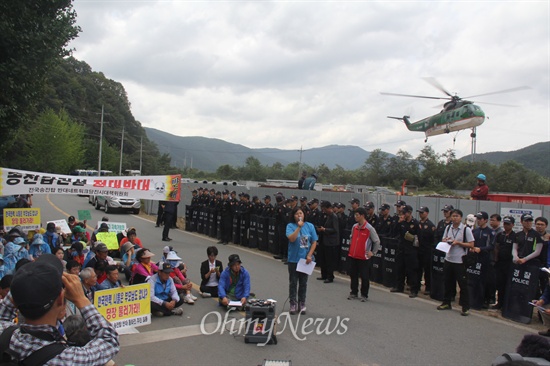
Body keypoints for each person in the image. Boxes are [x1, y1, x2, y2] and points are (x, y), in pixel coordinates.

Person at [0, 254, 119, 364]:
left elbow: (3, 315)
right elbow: (109, 339)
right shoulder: (66, 359)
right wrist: (82, 299)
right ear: (60, 300)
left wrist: (26, 284)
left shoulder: (5, 334)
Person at [436, 209, 475, 316]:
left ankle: (465, 307)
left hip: (460, 261)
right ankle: (446, 302)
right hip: (449, 259)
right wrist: (446, 240)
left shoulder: (466, 229)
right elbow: (443, 239)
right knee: (447, 282)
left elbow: (471, 244)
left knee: (463, 284)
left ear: (461, 218)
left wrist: (458, 243)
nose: (454, 218)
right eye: (453, 216)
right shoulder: (448, 227)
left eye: (457, 216)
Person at [286, 207, 318, 314]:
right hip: (293, 260)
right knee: (293, 282)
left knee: (303, 283)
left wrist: (309, 255)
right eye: (297, 213)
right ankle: (293, 303)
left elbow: (314, 242)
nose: (299, 215)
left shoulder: (310, 226)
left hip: (305, 260)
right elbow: (292, 238)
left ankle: (302, 302)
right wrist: (298, 228)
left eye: (301, 213)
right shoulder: (290, 226)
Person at [347, 207, 380, 302]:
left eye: (357, 215)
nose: (355, 217)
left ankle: (364, 294)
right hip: (353, 255)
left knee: (365, 277)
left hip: (364, 257)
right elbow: (351, 237)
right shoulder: (354, 227)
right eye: (355, 215)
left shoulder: (369, 228)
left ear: (362, 216)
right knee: (353, 275)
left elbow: (377, 241)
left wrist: (372, 252)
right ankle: (353, 292)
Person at [391, 205, 420, 298]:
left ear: (410, 213)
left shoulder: (415, 223)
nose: (403, 214)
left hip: (411, 250)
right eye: (402, 213)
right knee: (400, 269)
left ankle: (413, 290)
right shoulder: (401, 222)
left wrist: (412, 238)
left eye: (405, 213)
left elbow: (419, 237)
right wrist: (398, 223)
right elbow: (394, 232)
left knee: (411, 271)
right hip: (401, 249)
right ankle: (399, 286)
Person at [492, 216, 517, 310]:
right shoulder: (500, 235)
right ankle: (499, 303)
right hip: (499, 263)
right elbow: (496, 247)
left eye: (508, 224)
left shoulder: (515, 236)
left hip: (510, 264)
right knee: (499, 284)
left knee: (508, 284)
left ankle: (507, 304)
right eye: (505, 223)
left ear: (513, 225)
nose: (506, 226)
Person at [316, 201, 339, 283]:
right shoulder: (327, 216)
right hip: (324, 240)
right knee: (323, 259)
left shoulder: (334, 216)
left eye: (324, 209)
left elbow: (335, 230)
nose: (323, 210)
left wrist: (324, 229)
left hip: (331, 242)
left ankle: (330, 276)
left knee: (329, 260)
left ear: (329, 208)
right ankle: (324, 275)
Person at [416, 206, 436, 295]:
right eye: (420, 213)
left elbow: (433, 239)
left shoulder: (431, 225)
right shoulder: (417, 223)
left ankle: (428, 287)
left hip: (427, 250)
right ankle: (417, 285)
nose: (420, 214)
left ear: (427, 213)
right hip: (418, 249)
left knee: (427, 270)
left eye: (422, 212)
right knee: (417, 269)